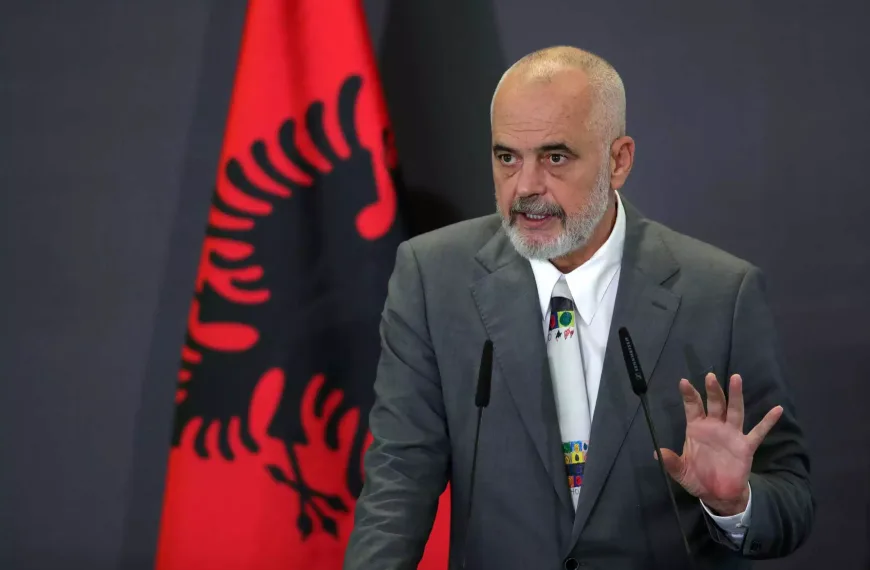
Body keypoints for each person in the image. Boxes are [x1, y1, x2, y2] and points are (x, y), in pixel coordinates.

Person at [343, 46, 813, 569]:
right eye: (507, 158)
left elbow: (791, 498)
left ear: (619, 160)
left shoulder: (721, 294)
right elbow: (397, 482)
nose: (526, 186)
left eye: (555, 157)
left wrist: (734, 503)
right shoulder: (433, 278)